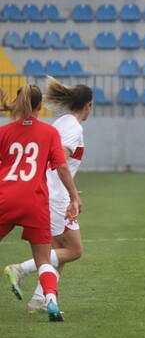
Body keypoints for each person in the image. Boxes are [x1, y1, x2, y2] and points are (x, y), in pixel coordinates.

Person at [5, 76, 92, 313]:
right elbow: (59, 160)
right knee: (74, 250)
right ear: (88, 106)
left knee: (57, 249)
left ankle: (39, 299)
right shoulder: (74, 127)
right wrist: (70, 193)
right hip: (54, 196)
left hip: (48, 192)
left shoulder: (62, 122)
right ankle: (20, 269)